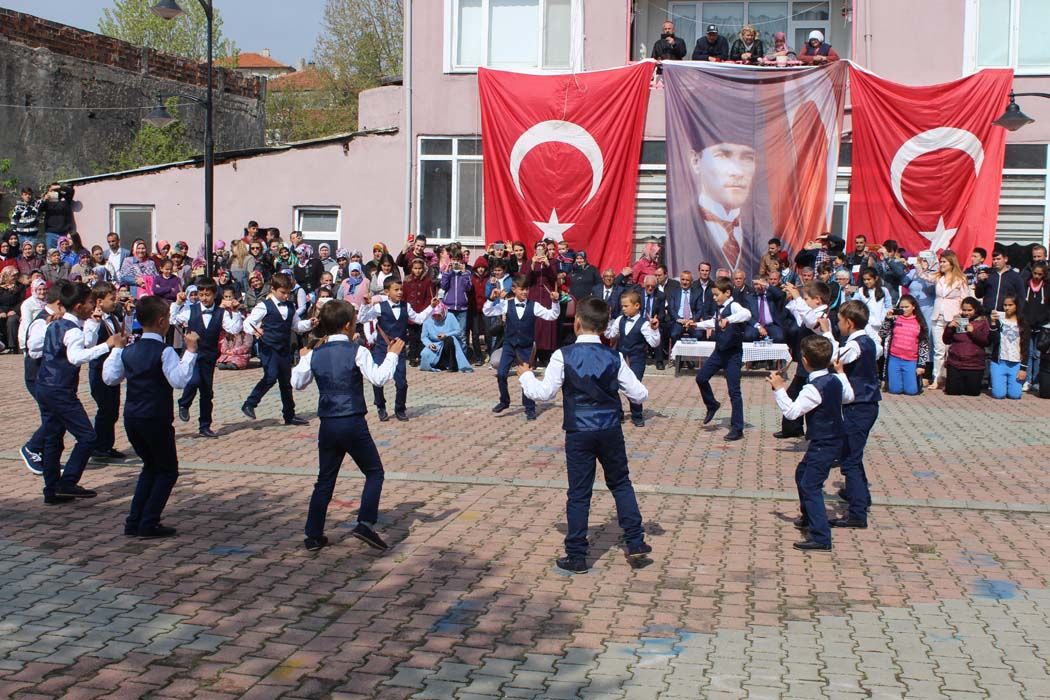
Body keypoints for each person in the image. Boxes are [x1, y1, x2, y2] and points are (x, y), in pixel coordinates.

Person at [517, 296, 652, 573]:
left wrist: (526, 376)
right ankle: (636, 542)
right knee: (621, 484)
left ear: (577, 323)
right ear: (605, 327)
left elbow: (544, 394)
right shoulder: (613, 356)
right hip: (610, 428)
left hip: (579, 430)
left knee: (579, 493)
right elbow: (640, 394)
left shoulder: (562, 354)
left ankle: (577, 555)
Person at [291, 300, 405, 552]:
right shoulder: (358, 350)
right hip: (352, 420)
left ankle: (313, 534)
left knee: (325, 478)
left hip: (328, 423)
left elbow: (297, 383)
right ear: (346, 325)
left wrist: (302, 359)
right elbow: (379, 378)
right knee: (374, 472)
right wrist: (392, 355)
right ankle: (365, 523)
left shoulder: (315, 353)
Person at [99, 296, 195, 538]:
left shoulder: (129, 350)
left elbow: (110, 378)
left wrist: (117, 350)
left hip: (132, 417)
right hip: (156, 417)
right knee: (167, 470)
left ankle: (135, 521)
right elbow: (179, 381)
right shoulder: (164, 351)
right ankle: (148, 521)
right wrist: (191, 352)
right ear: (162, 321)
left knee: (150, 467)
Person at [35, 281, 124, 504]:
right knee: (87, 436)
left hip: (45, 385)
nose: (93, 306)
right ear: (78, 306)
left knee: (53, 438)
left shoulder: (56, 324)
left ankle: (52, 489)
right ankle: (67, 482)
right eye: (90, 303)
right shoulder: (72, 329)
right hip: (60, 389)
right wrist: (108, 345)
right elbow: (76, 357)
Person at [769, 335, 853, 551]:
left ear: (805, 361)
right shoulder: (833, 379)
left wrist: (779, 389)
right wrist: (842, 374)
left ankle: (821, 536)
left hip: (825, 441)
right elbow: (848, 397)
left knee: (810, 484)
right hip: (832, 437)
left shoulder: (813, 388)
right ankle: (808, 516)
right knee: (802, 473)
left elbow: (792, 412)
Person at [821, 300, 880, 529]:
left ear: (850, 322)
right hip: (864, 404)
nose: (838, 325)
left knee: (850, 461)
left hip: (861, 405)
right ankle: (861, 497)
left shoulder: (857, 345)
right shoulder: (866, 341)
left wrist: (827, 334)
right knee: (852, 452)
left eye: (839, 321)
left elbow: (836, 358)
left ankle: (857, 513)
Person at [171, 279, 244, 437]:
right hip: (192, 354)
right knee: (194, 380)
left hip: (209, 356)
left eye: (207, 295)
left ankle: (205, 425)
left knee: (206, 392)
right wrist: (177, 303)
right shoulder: (191, 310)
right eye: (201, 294)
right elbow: (173, 319)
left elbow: (234, 328)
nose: (204, 298)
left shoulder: (221, 312)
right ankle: (184, 403)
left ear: (214, 294)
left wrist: (236, 312)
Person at [242, 272, 316, 425]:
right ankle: (250, 403)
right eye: (283, 293)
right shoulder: (264, 306)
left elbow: (296, 326)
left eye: (288, 293)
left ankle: (289, 415)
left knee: (285, 382)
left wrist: (309, 323)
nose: (286, 296)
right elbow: (248, 322)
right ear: (273, 289)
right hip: (268, 347)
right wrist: (256, 330)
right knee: (270, 376)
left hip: (284, 347)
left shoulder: (290, 306)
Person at [359, 277, 437, 421]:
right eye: (396, 290)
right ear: (387, 292)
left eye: (401, 289)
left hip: (399, 349)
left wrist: (431, 307)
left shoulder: (405, 306)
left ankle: (400, 408)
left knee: (401, 382)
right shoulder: (379, 307)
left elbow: (419, 319)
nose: (400, 292)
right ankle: (380, 406)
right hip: (382, 348)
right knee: (377, 380)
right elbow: (362, 319)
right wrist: (364, 304)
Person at [687, 120, 759, 275]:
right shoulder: (679, 229)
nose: (738, 171)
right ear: (696, 161)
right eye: (722, 155)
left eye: (747, 158)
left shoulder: (759, 235)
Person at [483, 275, 560, 420]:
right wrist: (491, 299)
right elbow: (487, 312)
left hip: (526, 347)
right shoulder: (507, 304)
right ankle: (504, 401)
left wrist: (555, 301)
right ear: (514, 289)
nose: (525, 292)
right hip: (509, 345)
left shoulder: (534, 305)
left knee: (527, 376)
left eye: (527, 289)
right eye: (522, 289)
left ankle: (530, 407)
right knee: (501, 374)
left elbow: (552, 316)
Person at [693, 277, 751, 441]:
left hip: (733, 354)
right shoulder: (720, 308)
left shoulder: (734, 306)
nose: (714, 297)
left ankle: (737, 428)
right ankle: (712, 404)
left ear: (727, 293)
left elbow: (747, 314)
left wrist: (729, 319)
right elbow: (714, 322)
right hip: (719, 352)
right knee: (701, 378)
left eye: (717, 294)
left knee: (734, 391)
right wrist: (695, 325)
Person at [777, 280, 831, 439]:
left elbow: (810, 322)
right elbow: (802, 317)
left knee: (802, 396)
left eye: (807, 299)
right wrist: (795, 299)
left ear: (818, 300)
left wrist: (797, 297)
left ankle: (805, 431)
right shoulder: (813, 311)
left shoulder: (823, 314)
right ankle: (793, 429)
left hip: (815, 364)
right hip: (806, 362)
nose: (805, 302)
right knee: (796, 393)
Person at [81, 282, 125, 461]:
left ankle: (107, 444)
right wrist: (94, 322)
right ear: (99, 301)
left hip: (112, 367)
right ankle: (98, 446)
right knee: (105, 408)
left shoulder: (113, 317)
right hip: (99, 368)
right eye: (111, 299)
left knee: (113, 408)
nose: (115, 302)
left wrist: (127, 316)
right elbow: (88, 343)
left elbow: (121, 334)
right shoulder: (92, 320)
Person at [603, 290, 660, 427]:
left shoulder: (644, 323)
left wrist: (654, 330)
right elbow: (610, 334)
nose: (623, 309)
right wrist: (607, 321)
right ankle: (618, 413)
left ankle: (637, 415)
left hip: (637, 359)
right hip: (620, 358)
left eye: (626, 306)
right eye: (622, 306)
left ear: (636, 306)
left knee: (634, 386)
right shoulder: (620, 320)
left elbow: (654, 343)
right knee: (613, 385)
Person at [929, 252, 970, 388]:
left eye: (944, 262)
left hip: (954, 317)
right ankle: (937, 378)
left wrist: (962, 317)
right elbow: (923, 275)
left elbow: (965, 299)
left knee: (953, 349)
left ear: (952, 263)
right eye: (941, 262)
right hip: (938, 316)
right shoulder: (938, 278)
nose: (942, 264)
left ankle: (952, 378)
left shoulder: (961, 279)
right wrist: (920, 263)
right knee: (939, 349)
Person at [879, 295, 929, 396]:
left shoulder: (919, 323)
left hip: (911, 360)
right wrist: (887, 319)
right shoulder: (894, 319)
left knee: (911, 391)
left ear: (913, 307)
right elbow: (882, 334)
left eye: (907, 307)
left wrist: (921, 365)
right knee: (895, 390)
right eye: (901, 307)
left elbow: (924, 345)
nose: (904, 309)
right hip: (895, 358)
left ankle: (915, 380)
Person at [942, 297, 990, 396]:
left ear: (975, 309)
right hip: (956, 363)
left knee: (972, 393)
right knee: (952, 392)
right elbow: (946, 340)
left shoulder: (982, 322)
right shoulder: (958, 320)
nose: (966, 313)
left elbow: (986, 341)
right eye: (964, 310)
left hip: (974, 364)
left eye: (969, 310)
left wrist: (973, 331)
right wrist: (949, 328)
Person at [988, 294, 1029, 400]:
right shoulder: (999, 320)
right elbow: (992, 340)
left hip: (1015, 363)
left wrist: (1023, 369)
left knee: (1015, 395)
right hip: (999, 362)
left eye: (1010, 305)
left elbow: (1025, 347)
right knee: (999, 395)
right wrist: (992, 323)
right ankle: (1000, 384)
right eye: (1005, 305)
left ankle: (1010, 384)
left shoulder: (1023, 324)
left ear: (1016, 306)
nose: (1007, 308)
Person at [420, 303, 472, 372]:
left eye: (439, 315)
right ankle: (439, 364)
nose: (437, 318)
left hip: (449, 342)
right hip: (435, 344)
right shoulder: (427, 321)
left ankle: (452, 366)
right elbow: (424, 337)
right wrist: (429, 344)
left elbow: (458, 331)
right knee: (425, 354)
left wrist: (446, 335)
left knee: (449, 339)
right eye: (435, 316)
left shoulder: (450, 316)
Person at [1023, 262, 1048, 392]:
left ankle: (1036, 381)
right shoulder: (1025, 285)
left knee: (1037, 354)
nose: (1037, 276)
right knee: (1027, 352)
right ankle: (1027, 380)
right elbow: (1021, 303)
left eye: (1040, 274)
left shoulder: (1046, 287)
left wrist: (1042, 320)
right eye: (1035, 273)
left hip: (1041, 325)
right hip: (1027, 324)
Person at [976, 248, 1025, 314]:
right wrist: (980, 282)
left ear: (1005, 259)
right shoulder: (988, 274)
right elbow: (979, 295)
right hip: (988, 313)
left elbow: (1021, 297)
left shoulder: (1015, 276)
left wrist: (1018, 314)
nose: (996, 261)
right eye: (994, 259)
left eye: (998, 259)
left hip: (1006, 314)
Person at [744, 276, 787, 343]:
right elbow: (747, 316)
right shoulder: (749, 298)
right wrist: (758, 327)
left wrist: (766, 285)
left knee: (779, 337)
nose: (759, 286)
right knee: (748, 336)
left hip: (771, 325)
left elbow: (781, 295)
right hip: (755, 325)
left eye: (761, 284)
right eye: (756, 284)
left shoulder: (772, 296)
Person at [38, 183, 75, 251]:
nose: (53, 192)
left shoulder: (65, 199)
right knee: (51, 254)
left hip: (64, 233)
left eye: (55, 190)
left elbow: (71, 191)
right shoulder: (47, 201)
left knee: (64, 254)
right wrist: (44, 200)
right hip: (51, 233)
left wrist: (58, 187)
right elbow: (39, 209)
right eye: (51, 190)